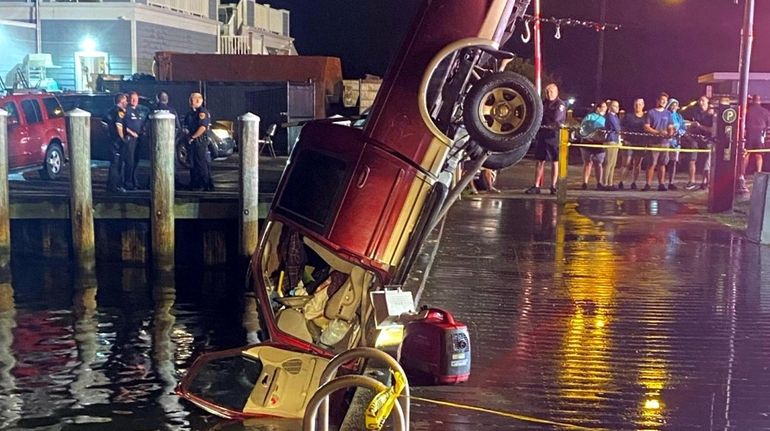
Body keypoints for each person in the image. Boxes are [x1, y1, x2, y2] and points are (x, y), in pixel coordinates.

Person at [525, 83, 566, 195]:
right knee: (540, 160)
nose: (549, 94)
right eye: (547, 92)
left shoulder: (560, 104)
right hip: (543, 134)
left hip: (554, 135)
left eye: (551, 92)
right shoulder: (542, 103)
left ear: (556, 92)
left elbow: (556, 118)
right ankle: (536, 185)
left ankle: (553, 186)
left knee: (555, 161)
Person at [643, 92, 674, 191]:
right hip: (653, 143)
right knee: (651, 163)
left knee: (662, 163)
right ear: (657, 100)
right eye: (662, 100)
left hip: (665, 143)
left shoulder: (668, 113)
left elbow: (670, 126)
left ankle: (661, 184)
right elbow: (646, 127)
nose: (664, 102)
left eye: (665, 101)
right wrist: (657, 132)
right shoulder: (651, 112)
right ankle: (648, 184)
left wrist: (670, 133)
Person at [183, 92, 214, 191]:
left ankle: (205, 184)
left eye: (192, 99)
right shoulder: (190, 113)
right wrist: (187, 135)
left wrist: (193, 137)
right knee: (192, 163)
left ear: (198, 100)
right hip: (191, 141)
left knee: (200, 162)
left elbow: (202, 127)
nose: (190, 102)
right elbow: (186, 126)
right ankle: (194, 183)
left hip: (200, 141)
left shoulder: (202, 112)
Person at [683, 96, 715, 190]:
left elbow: (712, 130)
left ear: (708, 102)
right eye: (700, 100)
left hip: (708, 139)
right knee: (692, 159)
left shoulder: (712, 114)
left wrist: (700, 126)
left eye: (703, 101)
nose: (701, 102)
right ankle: (691, 181)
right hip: (695, 139)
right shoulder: (695, 112)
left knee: (707, 161)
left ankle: (705, 181)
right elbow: (689, 124)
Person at [740, 95, 770, 189]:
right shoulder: (765, 112)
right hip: (760, 135)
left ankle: (742, 174)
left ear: (752, 100)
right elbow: (768, 125)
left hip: (749, 134)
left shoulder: (748, 110)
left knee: (746, 154)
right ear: (760, 101)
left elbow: (743, 123)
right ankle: (758, 174)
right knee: (759, 155)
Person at [618, 98, 647, 190]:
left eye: (639, 104)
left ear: (643, 105)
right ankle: (621, 182)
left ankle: (634, 182)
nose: (637, 106)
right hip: (628, 142)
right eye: (636, 104)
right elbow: (621, 127)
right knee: (626, 162)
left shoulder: (646, 117)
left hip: (641, 143)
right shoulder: (628, 116)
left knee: (637, 164)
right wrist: (623, 137)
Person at [579, 101, 608, 190]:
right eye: (603, 107)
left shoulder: (606, 119)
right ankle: (585, 183)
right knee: (587, 163)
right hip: (588, 142)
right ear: (598, 108)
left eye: (606, 107)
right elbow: (584, 128)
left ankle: (599, 183)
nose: (605, 109)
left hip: (599, 143)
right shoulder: (590, 116)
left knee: (598, 163)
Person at [122, 91, 147, 190]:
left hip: (138, 139)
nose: (134, 101)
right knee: (129, 161)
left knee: (136, 161)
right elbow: (123, 125)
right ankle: (127, 182)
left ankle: (134, 181)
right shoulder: (125, 111)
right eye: (132, 99)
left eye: (136, 99)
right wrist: (132, 133)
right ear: (128, 100)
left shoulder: (138, 111)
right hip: (130, 139)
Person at [105, 93, 128, 193]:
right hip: (118, 142)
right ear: (122, 101)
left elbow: (104, 123)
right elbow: (119, 125)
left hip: (111, 140)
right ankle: (116, 186)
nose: (126, 102)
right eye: (125, 100)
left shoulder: (110, 110)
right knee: (118, 164)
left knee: (113, 163)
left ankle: (110, 185)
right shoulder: (120, 112)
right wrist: (122, 138)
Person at [665, 98, 686, 190]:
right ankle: (661, 182)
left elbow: (683, 127)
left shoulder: (678, 116)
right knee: (663, 162)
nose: (674, 106)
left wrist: (680, 132)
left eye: (675, 105)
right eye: (672, 104)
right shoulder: (665, 115)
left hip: (676, 142)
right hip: (665, 141)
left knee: (673, 162)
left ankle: (671, 182)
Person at [602, 100, 622, 190]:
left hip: (615, 140)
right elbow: (617, 128)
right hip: (611, 140)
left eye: (618, 106)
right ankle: (605, 183)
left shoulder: (616, 116)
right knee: (608, 162)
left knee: (613, 163)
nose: (617, 108)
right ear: (610, 107)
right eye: (615, 106)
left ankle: (610, 182)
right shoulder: (610, 116)